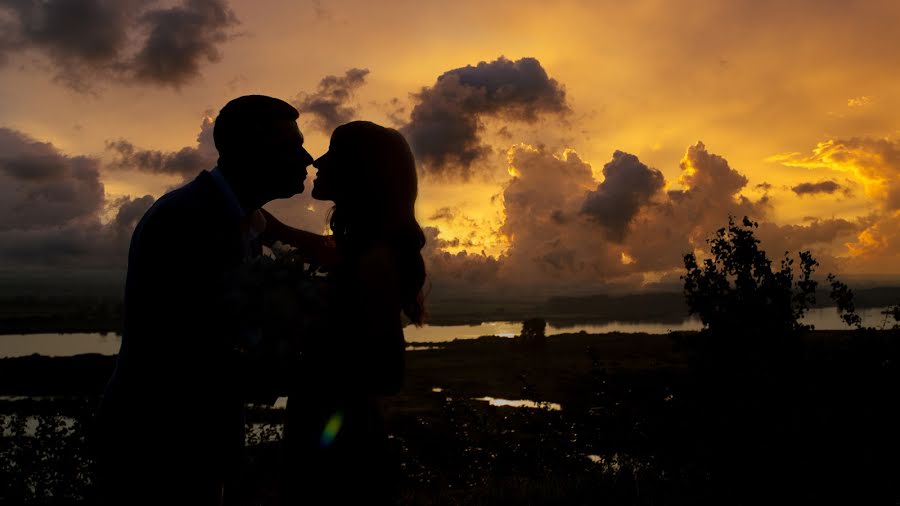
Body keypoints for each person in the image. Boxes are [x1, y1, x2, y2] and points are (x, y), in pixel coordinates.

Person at [96, 95, 313, 505]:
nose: (307, 157)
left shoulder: (237, 214)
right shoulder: (190, 218)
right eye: (291, 146)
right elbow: (189, 346)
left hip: (190, 435)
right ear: (252, 150)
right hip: (159, 438)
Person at [260, 120, 427, 504]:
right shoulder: (359, 250)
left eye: (333, 153)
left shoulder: (373, 260)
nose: (318, 160)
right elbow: (312, 244)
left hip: (341, 436)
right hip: (331, 425)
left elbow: (388, 372)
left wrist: (294, 355)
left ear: (361, 172)